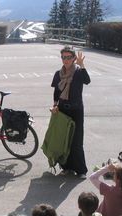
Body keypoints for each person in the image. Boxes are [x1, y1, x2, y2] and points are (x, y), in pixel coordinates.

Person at [50, 46, 90, 178]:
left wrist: (82, 65)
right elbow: (56, 91)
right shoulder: (58, 74)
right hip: (62, 110)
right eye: (63, 57)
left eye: (68, 57)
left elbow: (87, 81)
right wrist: (55, 105)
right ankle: (66, 167)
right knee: (64, 140)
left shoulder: (78, 72)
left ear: (73, 58)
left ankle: (81, 170)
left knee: (77, 141)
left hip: (76, 110)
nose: (65, 60)